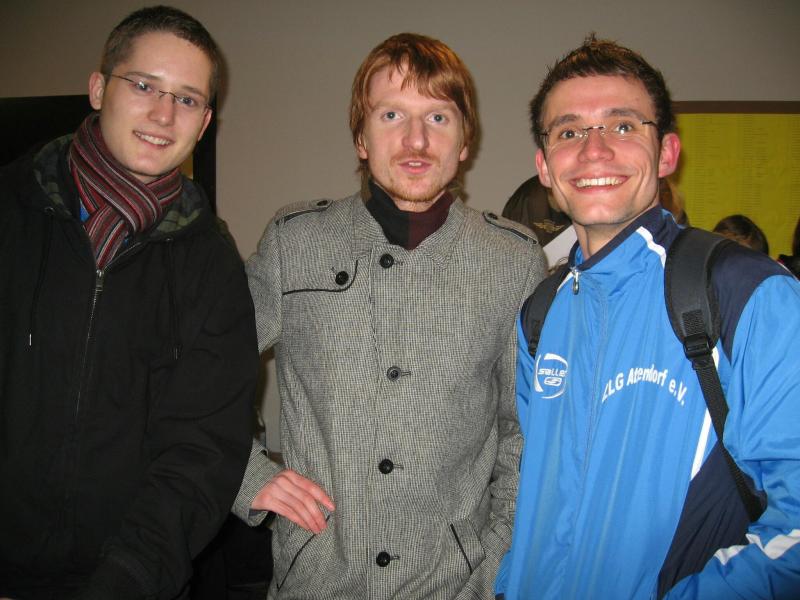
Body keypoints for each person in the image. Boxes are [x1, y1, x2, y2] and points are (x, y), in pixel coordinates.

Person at [232, 33, 546, 599]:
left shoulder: (512, 260)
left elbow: (523, 434)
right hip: (318, 579)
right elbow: (202, 370)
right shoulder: (295, 243)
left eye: (438, 117)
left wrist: (493, 570)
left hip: (454, 584)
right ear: (361, 136)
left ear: (465, 141)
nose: (416, 140)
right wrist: (245, 472)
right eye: (392, 114)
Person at [496, 35, 800, 599]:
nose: (594, 150)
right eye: (569, 132)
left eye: (622, 125)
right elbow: (539, 497)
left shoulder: (747, 294)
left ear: (666, 154)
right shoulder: (540, 314)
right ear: (545, 167)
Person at [0, 6, 258, 599]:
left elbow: (199, 453)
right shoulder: (9, 213)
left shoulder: (212, 264)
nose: (164, 115)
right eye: (144, 85)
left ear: (205, 122)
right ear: (98, 88)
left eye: (187, 99)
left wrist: (122, 586)